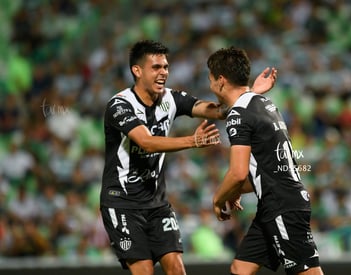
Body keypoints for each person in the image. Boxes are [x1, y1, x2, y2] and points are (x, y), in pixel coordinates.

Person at [100, 40, 276, 275]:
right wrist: (193, 141)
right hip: (122, 203)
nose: (163, 72)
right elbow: (147, 142)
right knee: (143, 270)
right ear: (137, 70)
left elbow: (215, 110)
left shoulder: (170, 98)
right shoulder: (120, 105)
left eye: (166, 67)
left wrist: (249, 94)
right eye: (156, 67)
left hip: (157, 203)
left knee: (177, 269)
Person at [208, 46, 324, 275]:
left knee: (307, 272)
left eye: (210, 79)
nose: (210, 85)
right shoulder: (264, 104)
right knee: (240, 268)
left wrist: (218, 198)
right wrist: (235, 190)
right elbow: (266, 169)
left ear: (220, 80)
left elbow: (238, 172)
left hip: (281, 204)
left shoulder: (238, 115)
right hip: (276, 202)